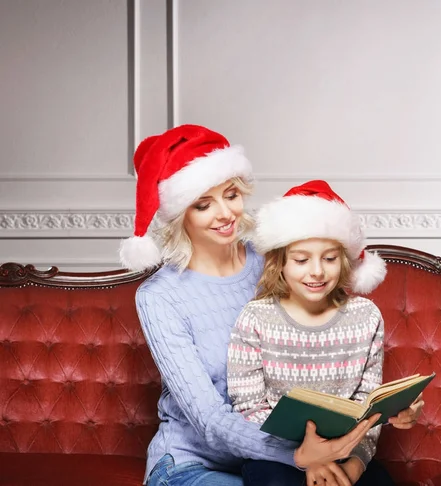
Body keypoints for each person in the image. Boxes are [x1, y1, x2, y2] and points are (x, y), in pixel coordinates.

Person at [120, 124, 425, 486]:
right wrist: (299, 458)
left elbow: (327, 350)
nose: (225, 214)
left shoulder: (274, 259)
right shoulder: (160, 296)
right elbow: (208, 417)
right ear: (179, 215)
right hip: (195, 464)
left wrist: (386, 413)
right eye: (203, 204)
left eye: (231, 195)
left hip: (284, 463)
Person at [227, 180, 399, 486]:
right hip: (277, 458)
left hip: (344, 452)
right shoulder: (255, 317)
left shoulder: (365, 316)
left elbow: (367, 406)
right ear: (279, 264)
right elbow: (248, 407)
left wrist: (354, 466)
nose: (317, 271)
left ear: (344, 260)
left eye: (329, 259)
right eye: (302, 260)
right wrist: (304, 459)